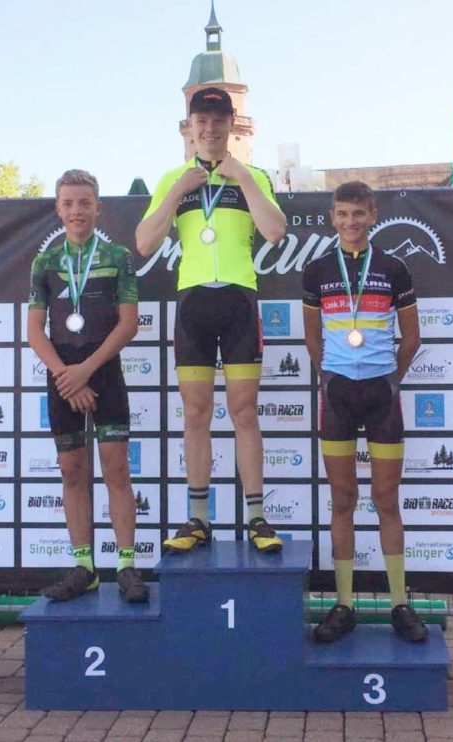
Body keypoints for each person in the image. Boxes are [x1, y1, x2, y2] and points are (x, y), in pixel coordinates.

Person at [136, 87, 287, 553]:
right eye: (201, 121)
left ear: (231, 125)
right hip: (193, 305)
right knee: (196, 413)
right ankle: (198, 519)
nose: (209, 128)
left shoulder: (253, 176)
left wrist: (242, 177)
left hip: (239, 301)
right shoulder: (172, 179)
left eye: (218, 120)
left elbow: (275, 231)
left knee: (244, 412)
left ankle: (257, 518)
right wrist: (178, 191)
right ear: (190, 127)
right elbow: (143, 242)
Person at [302, 180, 428, 643]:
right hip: (337, 395)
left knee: (386, 500)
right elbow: (312, 336)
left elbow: (411, 338)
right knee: (342, 500)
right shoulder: (316, 272)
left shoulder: (394, 269)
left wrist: (390, 378)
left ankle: (399, 603)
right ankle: (344, 604)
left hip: (381, 396)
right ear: (332, 218)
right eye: (342, 214)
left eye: (358, 213)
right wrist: (329, 375)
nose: (350, 222)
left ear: (373, 215)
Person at [27, 169, 148, 603]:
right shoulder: (45, 262)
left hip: (103, 369)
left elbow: (128, 324)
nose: (76, 210)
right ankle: (85, 567)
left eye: (84, 202)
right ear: (58, 209)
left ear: (98, 207)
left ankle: (127, 566)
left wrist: (87, 370)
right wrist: (67, 375)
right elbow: (35, 331)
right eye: (68, 203)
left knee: (117, 470)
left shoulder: (118, 257)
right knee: (72, 471)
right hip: (61, 374)